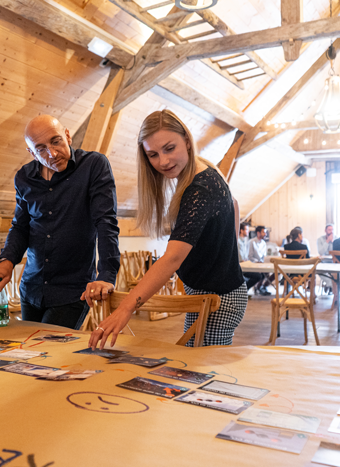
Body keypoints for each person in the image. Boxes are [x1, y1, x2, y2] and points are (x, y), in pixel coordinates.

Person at [88, 109, 248, 349]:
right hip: (205, 292)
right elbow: (233, 204)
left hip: (220, 298)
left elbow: (172, 257)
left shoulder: (200, 188)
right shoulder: (203, 168)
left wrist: (125, 309)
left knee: (204, 371)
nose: (162, 161)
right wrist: (227, 253)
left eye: (169, 148)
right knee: (193, 366)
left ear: (186, 139)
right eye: (152, 155)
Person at [0, 115, 120, 330]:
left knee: (49, 353)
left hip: (72, 290)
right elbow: (20, 226)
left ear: (67, 136)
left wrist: (106, 275)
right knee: (28, 356)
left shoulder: (94, 165)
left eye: (56, 141)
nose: (52, 153)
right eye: (41, 149)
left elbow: (106, 222)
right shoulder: (24, 177)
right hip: (31, 287)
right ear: (32, 153)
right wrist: (7, 260)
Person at [247, 226, 272, 295]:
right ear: (258, 233)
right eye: (264, 232)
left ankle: (260, 287)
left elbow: (264, 256)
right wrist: (257, 262)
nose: (266, 234)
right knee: (261, 274)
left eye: (266, 232)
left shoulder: (264, 243)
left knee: (269, 272)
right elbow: (249, 256)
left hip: (261, 264)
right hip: (252, 264)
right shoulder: (252, 242)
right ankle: (258, 287)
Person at [317, 224, 335, 294]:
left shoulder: (336, 239)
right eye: (329, 230)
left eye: (332, 230)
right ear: (325, 231)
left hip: (333, 261)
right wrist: (327, 241)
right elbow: (321, 252)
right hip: (324, 261)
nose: (331, 231)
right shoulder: (320, 239)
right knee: (318, 269)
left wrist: (332, 242)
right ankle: (331, 284)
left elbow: (336, 251)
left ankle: (330, 285)